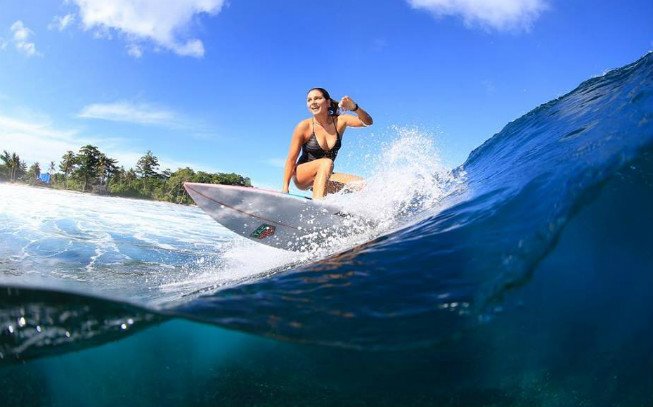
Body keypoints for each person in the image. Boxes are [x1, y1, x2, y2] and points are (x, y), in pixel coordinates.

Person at [282, 88, 373, 199]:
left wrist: (355, 108)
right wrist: (284, 189)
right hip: (302, 175)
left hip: (324, 175)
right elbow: (291, 160)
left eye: (317, 98)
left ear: (328, 102)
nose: (313, 102)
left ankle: (345, 212)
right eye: (309, 100)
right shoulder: (304, 126)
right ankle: (318, 205)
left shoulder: (340, 121)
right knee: (326, 163)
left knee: (361, 184)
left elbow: (368, 122)